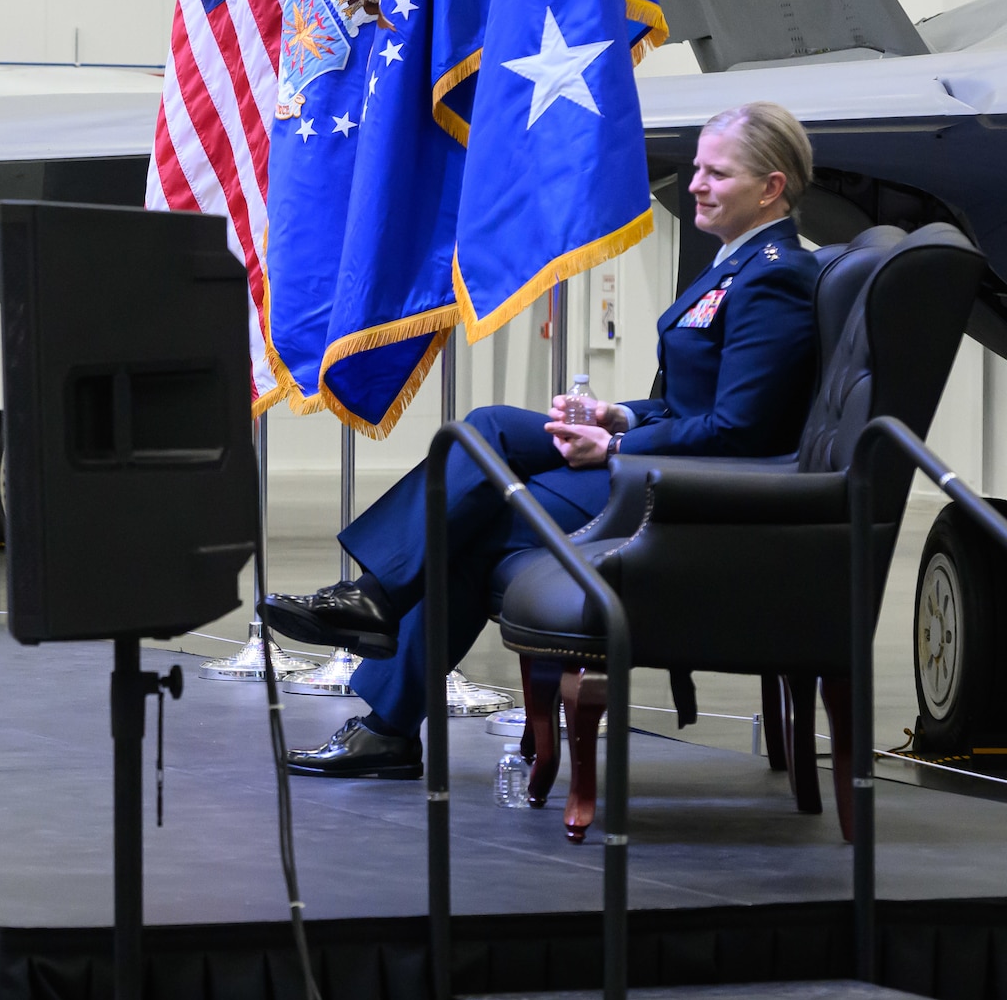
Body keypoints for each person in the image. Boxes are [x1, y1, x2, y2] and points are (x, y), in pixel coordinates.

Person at [259, 102, 824, 777]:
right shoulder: (735, 266)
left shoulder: (775, 278)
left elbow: (740, 432)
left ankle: (384, 704)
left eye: (717, 173)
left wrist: (615, 451)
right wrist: (617, 414)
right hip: (662, 456)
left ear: (771, 188)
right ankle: (374, 609)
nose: (697, 183)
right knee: (487, 428)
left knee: (478, 525)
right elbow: (687, 403)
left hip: (687, 492)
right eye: (698, 168)